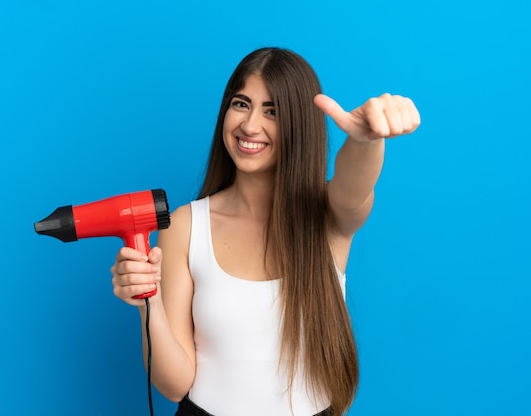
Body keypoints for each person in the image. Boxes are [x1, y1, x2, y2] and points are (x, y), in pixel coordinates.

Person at [110, 47, 420, 416]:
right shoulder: (185, 226)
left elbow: (356, 186)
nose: (250, 125)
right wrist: (149, 302)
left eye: (272, 111)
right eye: (241, 104)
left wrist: (366, 140)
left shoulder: (328, 214)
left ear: (300, 123)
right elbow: (175, 384)